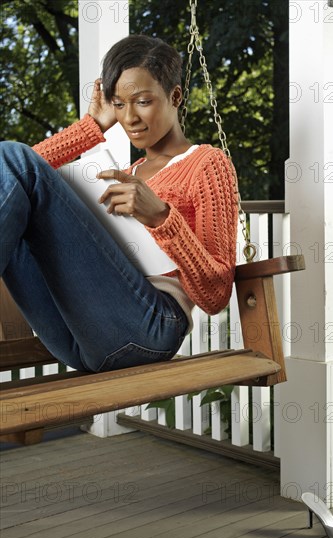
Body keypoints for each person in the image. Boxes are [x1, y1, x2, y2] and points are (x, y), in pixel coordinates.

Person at [0, 35, 238, 373]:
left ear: (174, 96)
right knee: (14, 176)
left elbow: (216, 296)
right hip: (81, 338)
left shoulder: (207, 164)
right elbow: (14, 179)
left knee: (12, 156)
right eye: (119, 104)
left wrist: (161, 217)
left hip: (152, 326)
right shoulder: (123, 175)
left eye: (142, 101)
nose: (130, 118)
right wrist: (91, 127)